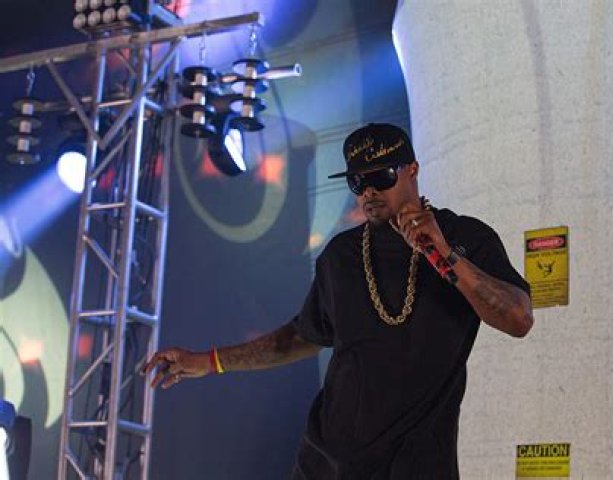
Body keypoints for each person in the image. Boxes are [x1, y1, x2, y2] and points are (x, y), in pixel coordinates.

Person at [144, 123, 534, 479]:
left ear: (412, 170)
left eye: (380, 177)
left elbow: (518, 318)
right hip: (327, 464)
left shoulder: (466, 238)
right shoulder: (341, 256)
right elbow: (302, 336)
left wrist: (446, 255)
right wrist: (210, 361)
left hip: (417, 466)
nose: (369, 192)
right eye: (357, 181)